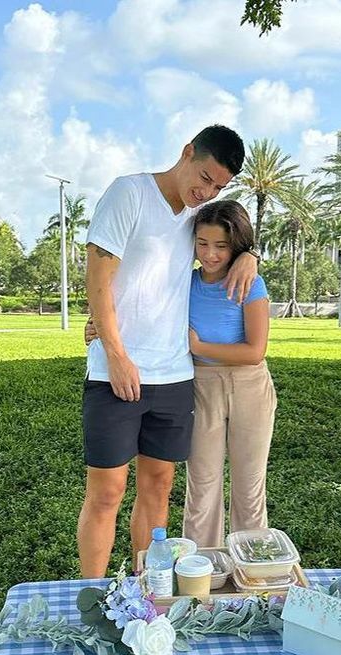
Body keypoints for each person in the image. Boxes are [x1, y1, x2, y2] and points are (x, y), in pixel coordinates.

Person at [78, 125, 258, 578]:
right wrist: (116, 355)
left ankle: (145, 591)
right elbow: (98, 278)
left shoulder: (198, 218)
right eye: (204, 177)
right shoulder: (129, 193)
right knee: (106, 492)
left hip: (175, 376)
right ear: (186, 152)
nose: (206, 191)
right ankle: (91, 595)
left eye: (219, 186)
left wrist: (252, 254)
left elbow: (226, 241)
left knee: (158, 489)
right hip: (115, 372)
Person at [183, 200, 275, 549]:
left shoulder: (251, 283)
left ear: (236, 245)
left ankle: (251, 575)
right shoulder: (185, 282)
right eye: (203, 244)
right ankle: (202, 573)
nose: (210, 254)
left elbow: (254, 352)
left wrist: (199, 346)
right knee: (201, 487)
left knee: (249, 488)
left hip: (249, 387)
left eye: (221, 246)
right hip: (200, 387)